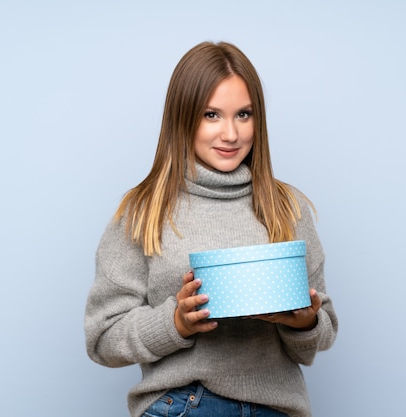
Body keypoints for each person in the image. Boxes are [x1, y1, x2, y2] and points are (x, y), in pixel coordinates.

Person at [84, 41, 338, 417]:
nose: (231, 135)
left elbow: (320, 334)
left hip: (277, 407)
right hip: (184, 404)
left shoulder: (287, 207)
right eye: (212, 115)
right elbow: (103, 339)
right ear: (183, 117)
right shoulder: (143, 211)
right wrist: (177, 322)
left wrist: (304, 320)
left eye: (244, 114)